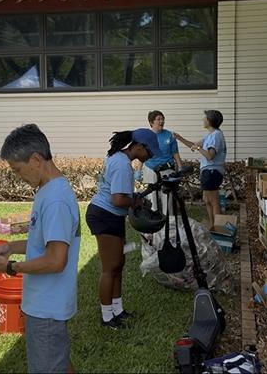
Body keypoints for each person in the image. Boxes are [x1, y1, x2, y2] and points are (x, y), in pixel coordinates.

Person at [0, 124, 80, 374]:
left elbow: (56, 260)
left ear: (36, 159)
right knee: (59, 363)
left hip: (47, 308)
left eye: (17, 169)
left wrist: (10, 267)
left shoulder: (56, 200)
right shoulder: (47, 190)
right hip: (45, 303)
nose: (17, 176)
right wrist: (9, 247)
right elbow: (44, 242)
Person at [86, 128, 162, 329]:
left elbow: (119, 194)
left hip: (110, 215)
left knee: (119, 264)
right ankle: (107, 318)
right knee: (110, 268)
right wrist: (135, 202)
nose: (150, 156)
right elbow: (118, 199)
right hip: (104, 215)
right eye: (149, 152)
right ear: (138, 147)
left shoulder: (119, 158)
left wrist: (133, 198)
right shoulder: (122, 165)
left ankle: (118, 310)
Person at [174, 110, 227, 230]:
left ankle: (219, 228)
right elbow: (194, 145)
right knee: (207, 200)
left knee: (213, 200)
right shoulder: (209, 135)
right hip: (207, 171)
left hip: (212, 171)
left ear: (210, 121)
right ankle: (213, 225)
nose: (203, 120)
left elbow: (210, 155)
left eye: (205, 118)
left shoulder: (216, 135)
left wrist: (198, 148)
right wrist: (180, 138)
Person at [142, 110, 183, 215]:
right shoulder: (146, 136)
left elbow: (175, 152)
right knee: (152, 196)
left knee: (167, 196)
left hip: (167, 169)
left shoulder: (169, 135)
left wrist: (180, 167)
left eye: (162, 119)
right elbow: (141, 155)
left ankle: (168, 218)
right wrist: (138, 170)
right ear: (151, 122)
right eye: (158, 119)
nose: (161, 121)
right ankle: (153, 217)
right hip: (150, 169)